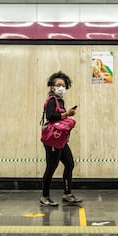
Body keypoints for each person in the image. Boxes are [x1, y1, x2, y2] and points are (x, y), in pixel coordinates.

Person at [40, 71, 82, 207]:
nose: (61, 88)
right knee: (51, 168)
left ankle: (67, 194)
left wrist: (67, 113)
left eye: (63, 85)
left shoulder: (60, 100)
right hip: (53, 140)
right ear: (52, 87)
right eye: (58, 85)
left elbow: (59, 116)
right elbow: (51, 117)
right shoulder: (52, 100)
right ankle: (44, 196)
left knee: (69, 164)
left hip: (61, 140)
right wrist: (67, 114)